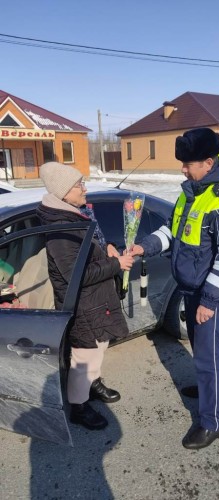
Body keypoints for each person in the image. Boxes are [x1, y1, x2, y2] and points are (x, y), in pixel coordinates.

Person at [131, 128, 219, 449]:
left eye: (188, 163)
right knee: (202, 353)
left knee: (209, 356)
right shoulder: (190, 192)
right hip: (190, 289)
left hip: (208, 293)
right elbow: (172, 229)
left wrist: (210, 301)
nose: (182, 169)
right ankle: (205, 386)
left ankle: (212, 422)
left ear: (208, 163)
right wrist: (144, 247)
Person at [37, 161, 134, 431]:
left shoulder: (74, 215)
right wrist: (117, 265)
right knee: (83, 357)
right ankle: (79, 407)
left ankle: (93, 384)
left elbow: (91, 251)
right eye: (79, 184)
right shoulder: (60, 230)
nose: (84, 188)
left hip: (95, 301)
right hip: (81, 306)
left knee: (97, 349)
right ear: (63, 191)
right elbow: (75, 275)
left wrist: (109, 250)